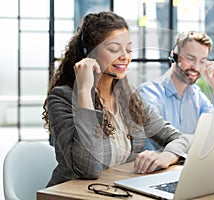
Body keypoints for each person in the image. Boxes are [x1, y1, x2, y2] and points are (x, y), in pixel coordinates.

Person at [42, 11, 191, 187]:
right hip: (72, 194)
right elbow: (89, 168)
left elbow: (180, 138)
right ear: (88, 54)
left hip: (116, 189)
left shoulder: (128, 97)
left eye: (128, 49)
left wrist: (167, 156)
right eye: (114, 49)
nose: (125, 57)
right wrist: (83, 91)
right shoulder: (62, 98)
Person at [138, 31, 214, 150]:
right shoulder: (149, 93)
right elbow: (156, 139)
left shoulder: (197, 96)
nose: (196, 67)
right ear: (174, 56)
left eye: (202, 61)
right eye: (190, 59)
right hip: (157, 167)